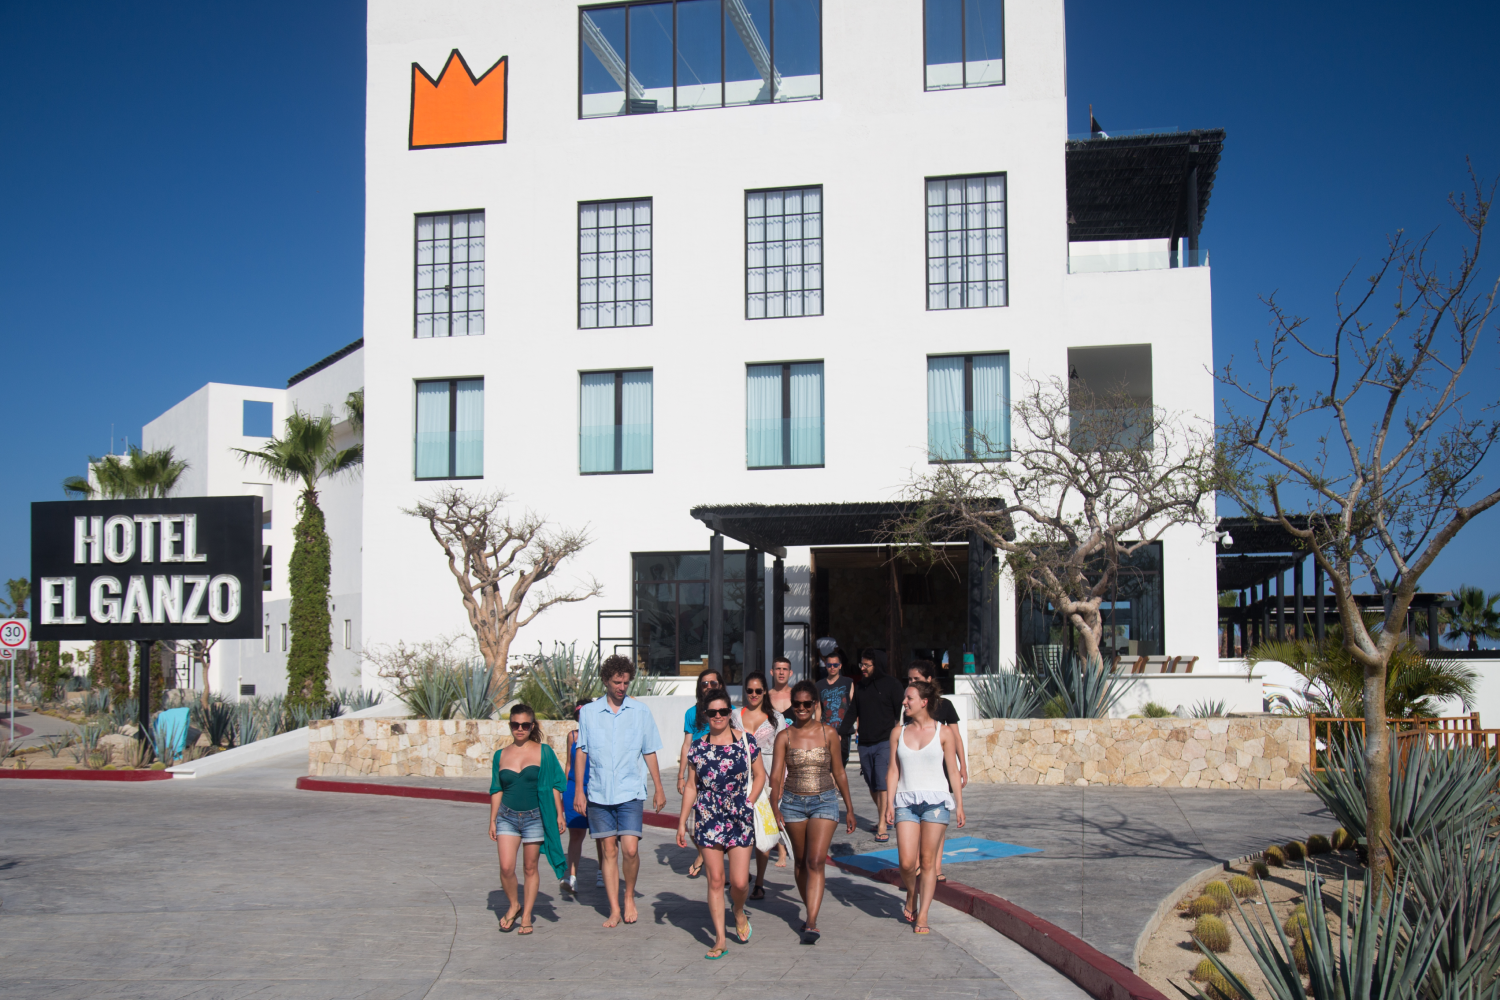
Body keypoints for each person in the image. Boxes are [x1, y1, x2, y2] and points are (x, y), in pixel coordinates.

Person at [574, 655, 667, 928]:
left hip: (630, 791)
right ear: (605, 680)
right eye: (617, 681)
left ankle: (629, 896)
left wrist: (659, 788)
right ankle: (614, 908)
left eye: (626, 681)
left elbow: (649, 750)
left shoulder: (640, 712)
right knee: (608, 850)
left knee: (629, 849)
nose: (622, 687)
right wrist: (579, 790)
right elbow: (582, 753)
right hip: (599, 793)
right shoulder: (589, 713)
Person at [677, 689, 767, 959]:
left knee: (739, 883)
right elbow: (692, 787)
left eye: (723, 711)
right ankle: (719, 939)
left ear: (730, 713)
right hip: (708, 818)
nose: (718, 716)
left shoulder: (745, 742)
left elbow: (761, 775)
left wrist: (749, 801)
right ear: (705, 714)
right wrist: (682, 822)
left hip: (740, 816)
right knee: (716, 879)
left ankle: (738, 911)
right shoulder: (698, 746)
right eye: (712, 712)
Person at [769, 679, 856, 945]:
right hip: (793, 803)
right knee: (801, 861)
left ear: (815, 704)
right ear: (792, 706)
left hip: (824, 800)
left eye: (807, 703)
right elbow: (774, 777)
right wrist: (774, 805)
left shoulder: (829, 733)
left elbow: (839, 771)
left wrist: (850, 808)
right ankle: (810, 907)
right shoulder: (784, 736)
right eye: (797, 704)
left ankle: (812, 921)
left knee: (816, 860)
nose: (802, 708)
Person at [885, 679, 966, 936]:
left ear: (924, 702)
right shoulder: (898, 732)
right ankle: (911, 894)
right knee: (907, 863)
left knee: (928, 862)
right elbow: (893, 770)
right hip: (906, 802)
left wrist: (960, 805)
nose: (904, 702)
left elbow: (952, 771)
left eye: (909, 698)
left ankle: (923, 914)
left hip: (936, 802)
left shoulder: (944, 733)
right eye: (905, 698)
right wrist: (889, 803)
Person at [488, 703, 569, 934]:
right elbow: (496, 789)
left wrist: (559, 814)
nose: (520, 729)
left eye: (525, 725)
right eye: (515, 724)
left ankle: (526, 916)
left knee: (530, 867)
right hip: (507, 816)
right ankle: (514, 904)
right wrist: (492, 819)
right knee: (506, 867)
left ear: (532, 725)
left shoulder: (544, 752)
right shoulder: (500, 755)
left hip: (536, 816)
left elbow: (555, 785)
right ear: (510, 725)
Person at [903, 660, 968, 885]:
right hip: (917, 771)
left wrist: (963, 766)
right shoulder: (909, 707)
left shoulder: (946, 706)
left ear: (929, 680)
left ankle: (935, 866)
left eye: (917, 679)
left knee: (936, 818)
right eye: (910, 679)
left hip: (941, 768)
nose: (912, 683)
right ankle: (920, 865)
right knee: (917, 820)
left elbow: (956, 737)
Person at [733, 670, 789, 897]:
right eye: (750, 691)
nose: (754, 695)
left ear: (765, 691)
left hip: (768, 781)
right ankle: (742, 873)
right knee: (740, 831)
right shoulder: (735, 716)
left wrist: (781, 784)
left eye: (758, 690)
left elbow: (783, 752)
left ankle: (760, 882)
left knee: (763, 833)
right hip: (739, 781)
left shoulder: (777, 718)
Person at [839, 648, 904, 842]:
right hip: (864, 742)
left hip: (885, 741)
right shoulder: (860, 687)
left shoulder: (893, 685)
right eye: (862, 664)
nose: (863, 668)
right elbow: (852, 712)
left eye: (867, 665)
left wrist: (900, 732)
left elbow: (901, 711)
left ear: (878, 665)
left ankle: (882, 824)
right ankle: (885, 814)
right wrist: (840, 732)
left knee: (881, 781)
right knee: (871, 782)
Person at [677, 668, 724, 879]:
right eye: (704, 684)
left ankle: (716, 867)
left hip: (722, 775)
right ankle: (702, 854)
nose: (708, 687)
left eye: (712, 683)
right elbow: (687, 744)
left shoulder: (727, 710)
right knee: (692, 824)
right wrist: (681, 776)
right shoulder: (690, 713)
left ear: (720, 686)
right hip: (696, 772)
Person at [562, 697, 605, 895]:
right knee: (576, 834)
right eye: (579, 714)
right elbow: (569, 764)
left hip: (595, 787)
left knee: (600, 835)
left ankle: (602, 871)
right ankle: (571, 877)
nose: (582, 717)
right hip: (574, 787)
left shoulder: (601, 734)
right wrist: (564, 790)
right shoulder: (573, 736)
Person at [814, 648, 854, 765]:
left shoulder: (848, 682)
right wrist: (816, 729)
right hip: (826, 729)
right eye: (830, 665)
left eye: (835, 665)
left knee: (842, 761)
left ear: (840, 666)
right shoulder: (819, 685)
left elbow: (854, 706)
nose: (832, 667)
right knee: (827, 763)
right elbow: (818, 709)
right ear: (825, 666)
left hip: (844, 729)